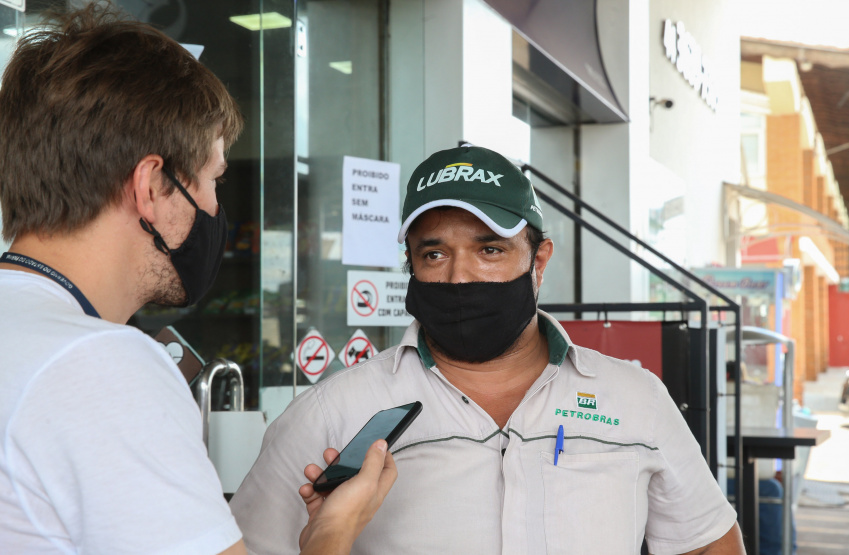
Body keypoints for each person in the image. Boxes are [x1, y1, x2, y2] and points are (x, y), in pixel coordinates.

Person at [0, 3, 394, 554]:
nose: (213, 207)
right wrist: (334, 530)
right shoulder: (100, 366)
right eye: (212, 179)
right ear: (150, 186)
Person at [231, 145, 747, 554]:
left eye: (490, 249)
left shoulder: (635, 398)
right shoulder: (331, 415)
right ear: (410, 264)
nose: (460, 276)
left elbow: (707, 544)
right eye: (434, 254)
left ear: (538, 261)